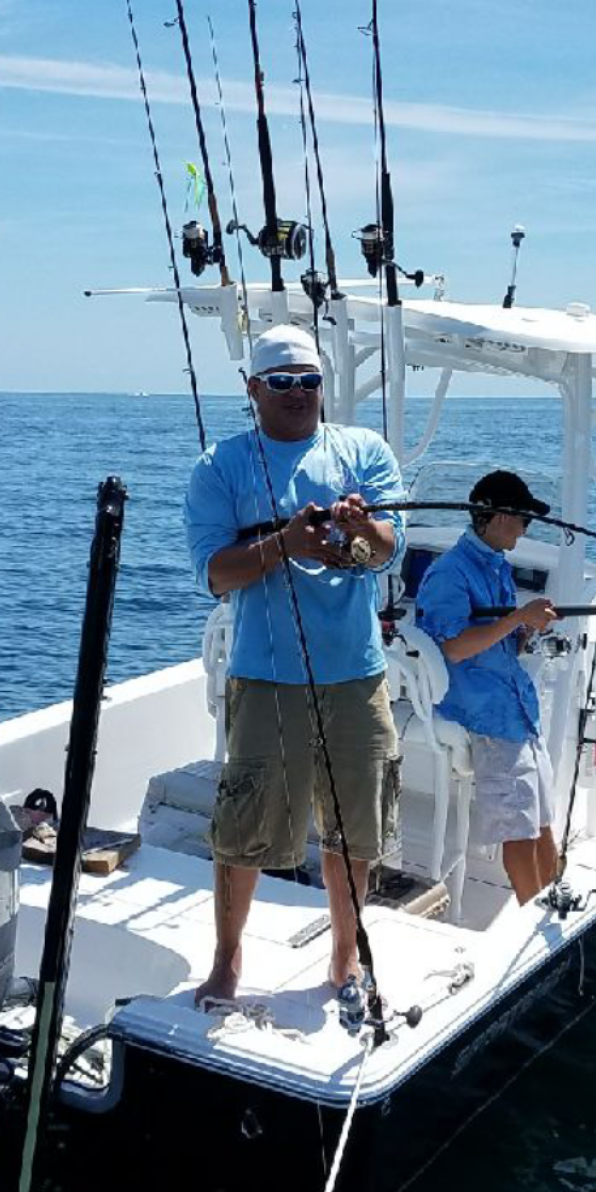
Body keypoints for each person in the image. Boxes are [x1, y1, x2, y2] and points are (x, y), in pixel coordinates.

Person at [184, 323, 404, 1005]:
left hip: (356, 675)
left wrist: (362, 526)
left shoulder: (363, 450)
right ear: (253, 389)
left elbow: (386, 549)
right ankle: (227, 959)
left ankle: (344, 957)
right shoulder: (219, 467)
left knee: (354, 826)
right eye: (281, 382)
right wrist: (284, 544)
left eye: (309, 380)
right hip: (265, 676)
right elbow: (215, 573)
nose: (298, 393)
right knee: (244, 826)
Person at [415, 471, 562, 906]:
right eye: (522, 520)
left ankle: (553, 906)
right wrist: (518, 618)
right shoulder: (449, 574)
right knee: (518, 827)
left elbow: (496, 636)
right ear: (498, 518)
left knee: (543, 819)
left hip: (516, 708)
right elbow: (456, 648)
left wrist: (525, 631)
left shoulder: (496, 563)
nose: (525, 529)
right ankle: (530, 918)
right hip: (485, 714)